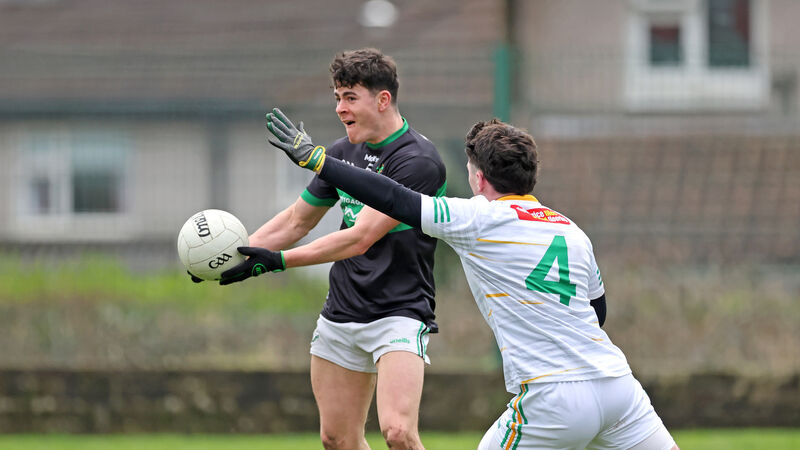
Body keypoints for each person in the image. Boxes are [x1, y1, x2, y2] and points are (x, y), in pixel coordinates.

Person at [264, 112, 680, 450]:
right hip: (618, 389)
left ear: (479, 178)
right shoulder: (571, 229)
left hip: (552, 397)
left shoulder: (476, 217)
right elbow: (597, 312)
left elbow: (393, 197)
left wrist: (319, 161)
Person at [217, 49, 447, 450]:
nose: (340, 108)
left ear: (383, 99)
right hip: (343, 309)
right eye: (337, 97)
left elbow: (361, 236)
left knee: (398, 433)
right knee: (336, 439)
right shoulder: (342, 153)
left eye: (350, 97)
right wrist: (235, 254)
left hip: (399, 312)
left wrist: (280, 262)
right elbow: (295, 221)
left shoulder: (418, 161)